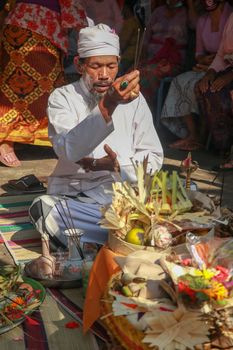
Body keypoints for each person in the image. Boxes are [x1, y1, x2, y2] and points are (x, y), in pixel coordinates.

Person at [29, 23, 163, 248]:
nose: (104, 75)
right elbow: (68, 149)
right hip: (75, 197)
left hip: (122, 197)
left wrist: (119, 167)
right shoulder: (62, 98)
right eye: (96, 66)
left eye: (111, 66)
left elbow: (154, 157)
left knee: (169, 203)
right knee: (42, 209)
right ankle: (124, 237)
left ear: (119, 63)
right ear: (79, 65)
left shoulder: (135, 100)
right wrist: (108, 104)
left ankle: (106, 238)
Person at [0, 0, 87, 167]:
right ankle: (5, 141)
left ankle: (54, 141)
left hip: (32, 26)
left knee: (40, 88)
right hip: (31, 28)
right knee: (19, 89)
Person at [161, 0, 232, 151]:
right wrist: (207, 64)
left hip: (226, 68)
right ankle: (193, 135)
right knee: (179, 82)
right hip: (211, 67)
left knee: (205, 89)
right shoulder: (203, 21)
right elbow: (203, 54)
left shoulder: (229, 15)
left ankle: (210, 140)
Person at [139, 0, 189, 111]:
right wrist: (142, 58)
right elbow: (146, 39)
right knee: (133, 73)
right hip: (152, 59)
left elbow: (195, 24)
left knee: (151, 73)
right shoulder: (158, 12)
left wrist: (190, 5)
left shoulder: (186, 13)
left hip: (173, 61)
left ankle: (147, 113)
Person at [195, 11, 233, 152]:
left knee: (223, 96)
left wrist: (230, 76)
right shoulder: (231, 17)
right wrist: (211, 72)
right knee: (204, 88)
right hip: (228, 68)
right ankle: (221, 147)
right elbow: (222, 53)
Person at [119, 0, 143, 74]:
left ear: (127, 8)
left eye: (123, 8)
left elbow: (122, 44)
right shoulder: (137, 21)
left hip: (128, 57)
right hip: (135, 55)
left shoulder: (130, 23)